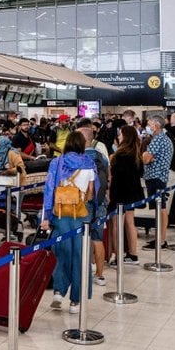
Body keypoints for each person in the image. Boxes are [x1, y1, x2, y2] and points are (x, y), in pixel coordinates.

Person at [40, 131, 98, 313]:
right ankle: (75, 301)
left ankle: (58, 290)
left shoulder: (57, 163)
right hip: (80, 215)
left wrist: (46, 217)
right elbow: (91, 193)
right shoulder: (89, 164)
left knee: (61, 252)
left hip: (60, 214)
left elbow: (49, 189)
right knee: (80, 256)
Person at [78, 122, 109, 285]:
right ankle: (100, 274)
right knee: (98, 238)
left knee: (82, 236)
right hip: (101, 200)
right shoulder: (101, 157)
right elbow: (108, 178)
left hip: (84, 202)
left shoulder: (80, 158)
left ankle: (83, 271)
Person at [108, 125, 143, 264]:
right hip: (132, 192)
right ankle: (133, 254)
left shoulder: (118, 155)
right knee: (130, 223)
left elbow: (115, 176)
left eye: (121, 134)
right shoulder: (136, 153)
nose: (119, 136)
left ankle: (118, 255)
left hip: (119, 192)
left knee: (117, 224)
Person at [141, 115, 173, 249]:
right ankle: (160, 237)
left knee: (161, 208)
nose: (147, 126)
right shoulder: (164, 139)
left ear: (156, 125)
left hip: (156, 177)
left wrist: (145, 155)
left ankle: (161, 239)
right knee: (160, 208)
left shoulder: (158, 140)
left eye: (149, 124)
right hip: (160, 176)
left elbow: (146, 159)